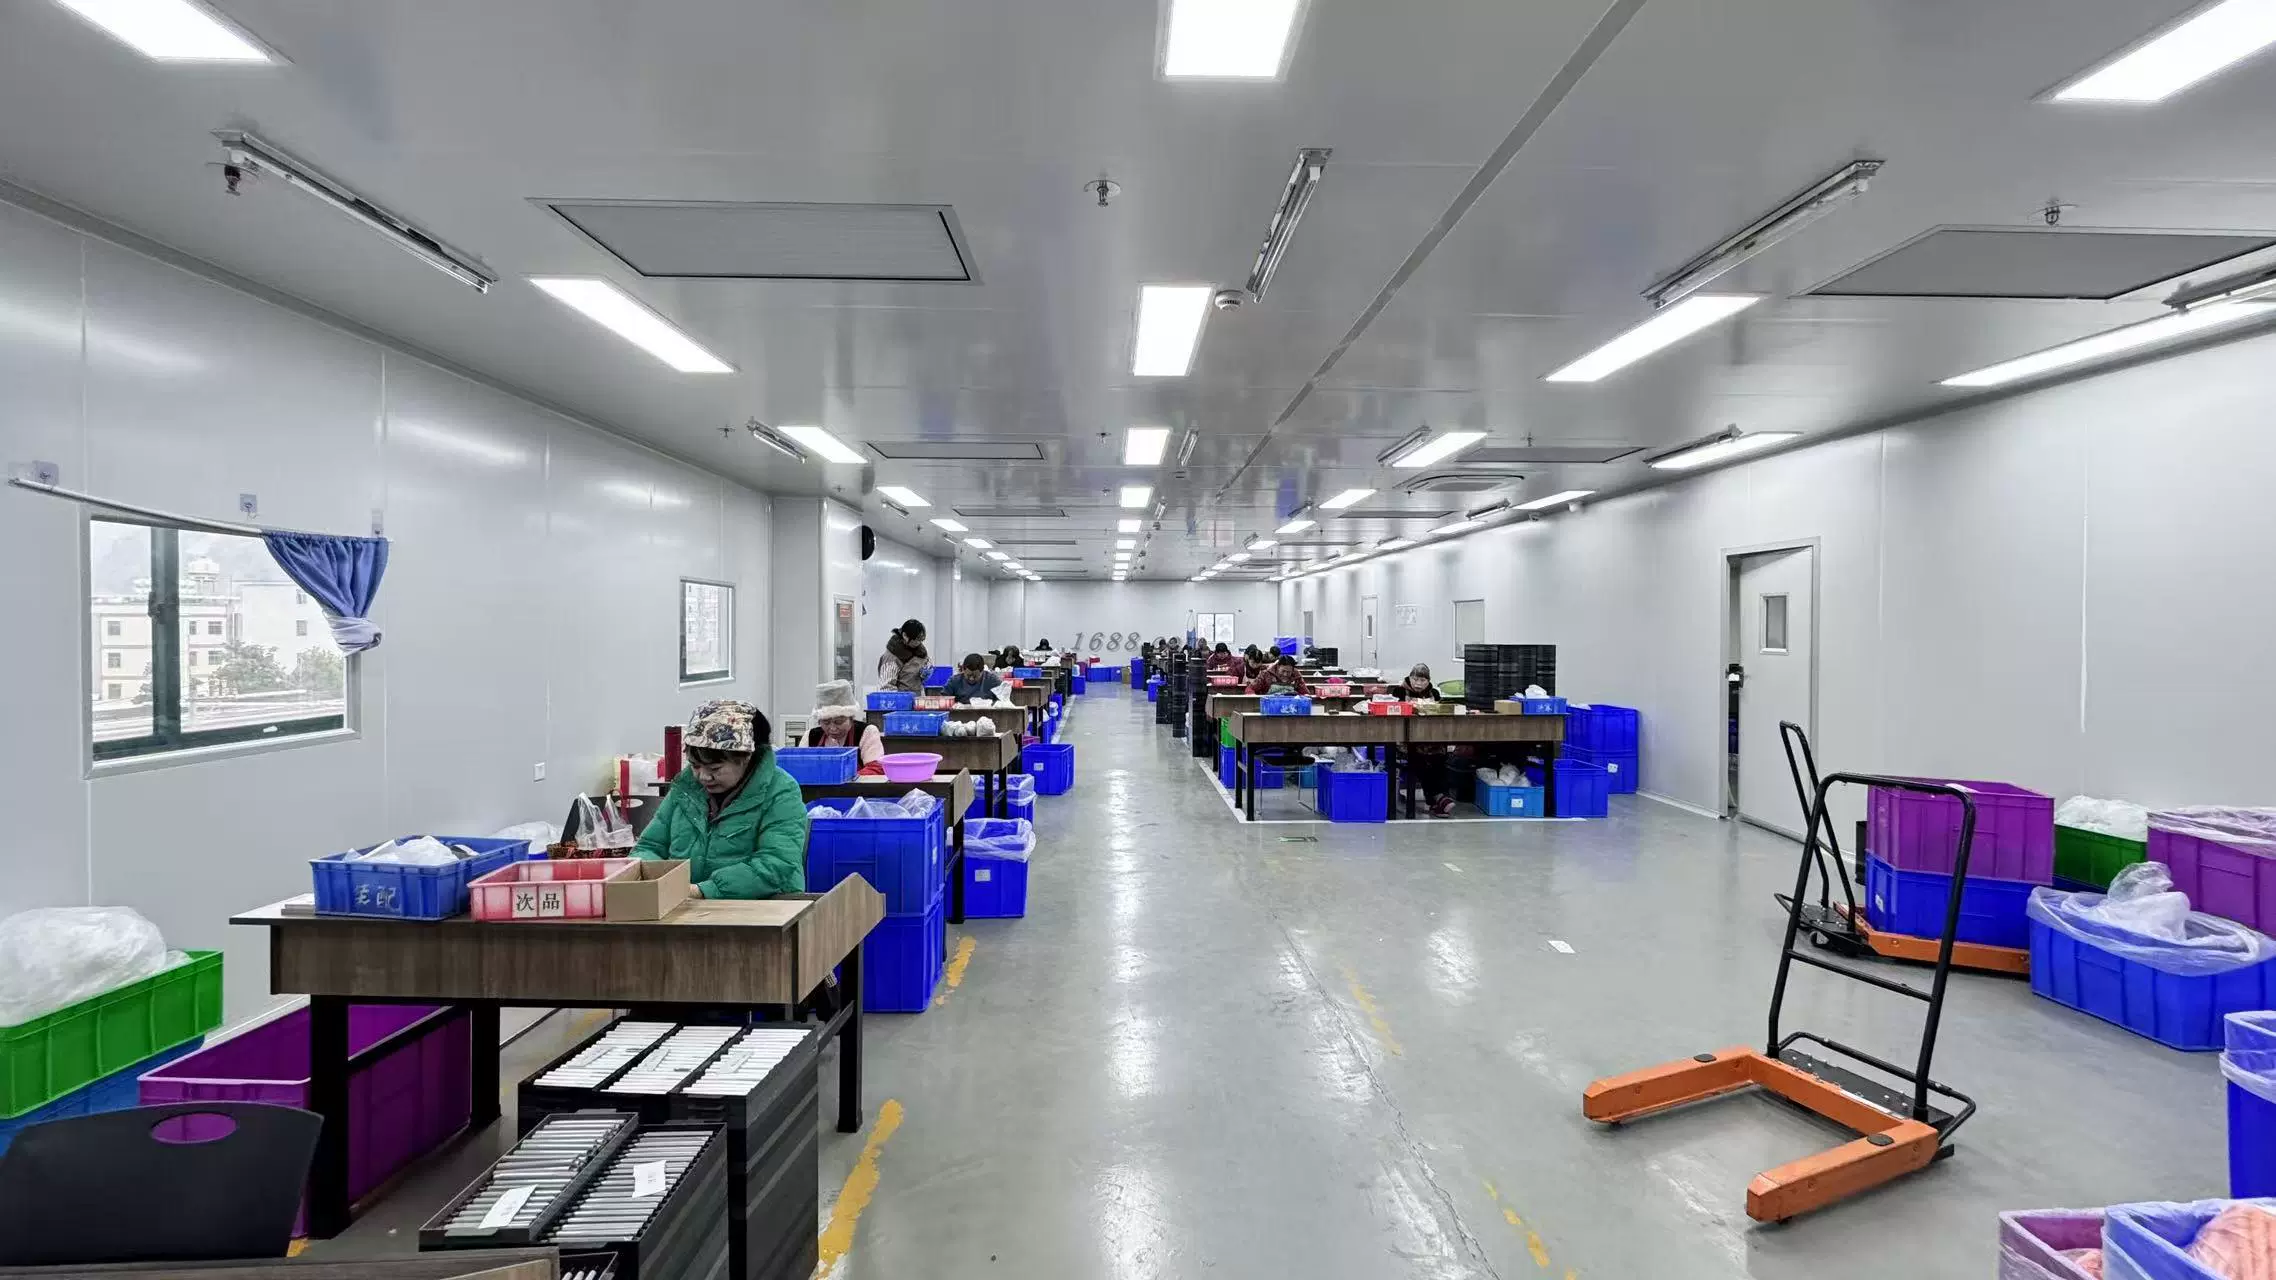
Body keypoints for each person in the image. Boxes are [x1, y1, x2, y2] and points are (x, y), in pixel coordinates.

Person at [635, 700, 808, 898]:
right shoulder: (686, 788)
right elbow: (650, 846)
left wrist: (705, 891)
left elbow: (776, 862)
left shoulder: (780, 791)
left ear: (745, 757)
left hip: (763, 906)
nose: (703, 777)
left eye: (715, 768)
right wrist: (650, 879)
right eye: (695, 765)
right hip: (685, 904)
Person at [805, 680, 886, 776]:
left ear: (851, 718)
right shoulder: (810, 736)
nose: (832, 728)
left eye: (839, 722)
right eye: (826, 722)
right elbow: (801, 767)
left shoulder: (867, 732)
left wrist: (843, 778)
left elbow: (876, 768)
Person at [878, 619, 928, 693]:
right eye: (917, 640)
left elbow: (927, 665)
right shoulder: (892, 657)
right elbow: (886, 687)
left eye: (921, 640)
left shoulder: (920, 651)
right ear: (905, 635)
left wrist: (926, 672)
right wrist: (900, 699)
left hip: (917, 697)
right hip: (901, 698)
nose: (919, 643)